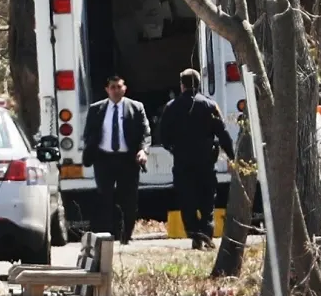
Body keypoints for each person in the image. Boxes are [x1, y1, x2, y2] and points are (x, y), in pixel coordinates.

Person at [157, 68, 234, 249]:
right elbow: (222, 133)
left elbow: (163, 137)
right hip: (206, 161)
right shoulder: (210, 105)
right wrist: (232, 156)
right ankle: (205, 233)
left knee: (187, 200)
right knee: (207, 200)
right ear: (198, 85)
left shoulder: (171, 107)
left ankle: (195, 234)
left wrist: (174, 148)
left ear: (182, 85)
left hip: (183, 162)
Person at [82, 76, 150, 244]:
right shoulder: (96, 109)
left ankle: (126, 235)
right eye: (112, 87)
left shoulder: (136, 107)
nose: (116, 90)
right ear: (107, 90)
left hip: (127, 159)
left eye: (119, 87)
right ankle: (110, 234)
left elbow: (145, 132)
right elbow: (88, 133)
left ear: (124, 88)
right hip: (104, 159)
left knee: (128, 198)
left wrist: (143, 150)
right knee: (105, 197)